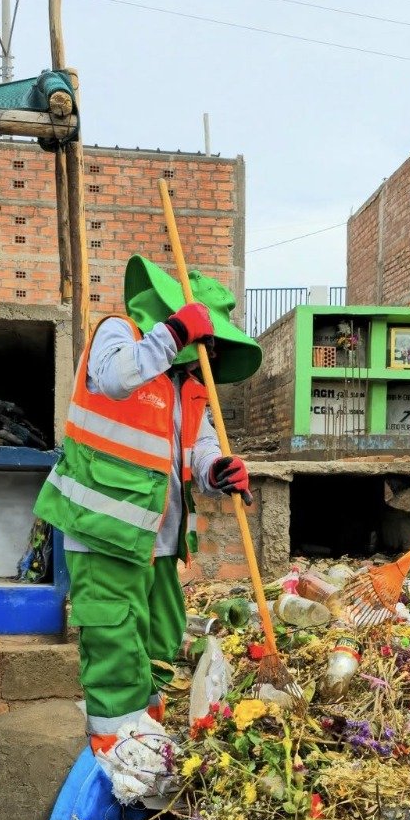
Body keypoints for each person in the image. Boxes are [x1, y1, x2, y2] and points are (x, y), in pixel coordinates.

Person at [34, 254, 263, 785]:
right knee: (113, 642)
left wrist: (216, 469)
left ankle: (146, 742)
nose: (204, 347)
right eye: (203, 334)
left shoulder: (188, 383)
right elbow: (114, 379)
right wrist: (174, 330)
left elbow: (198, 444)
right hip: (104, 530)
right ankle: (116, 759)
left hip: (158, 539)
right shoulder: (120, 334)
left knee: (159, 641)